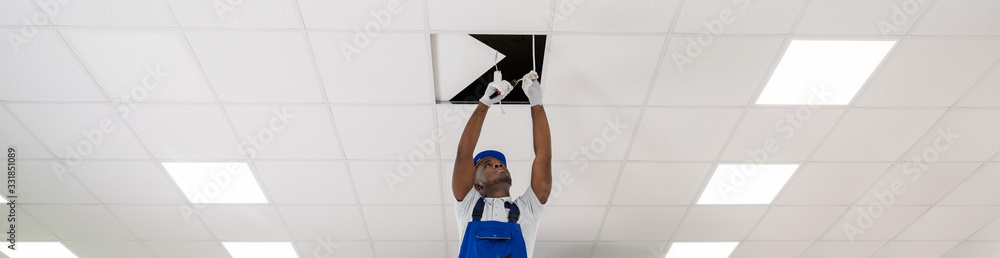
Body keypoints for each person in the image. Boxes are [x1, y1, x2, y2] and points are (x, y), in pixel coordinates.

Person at [453, 71, 551, 258]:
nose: (498, 165)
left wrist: (536, 104)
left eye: (499, 163)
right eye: (487, 165)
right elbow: (463, 155)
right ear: (476, 184)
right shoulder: (468, 206)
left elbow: (543, 157)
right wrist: (484, 104)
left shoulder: (528, 208)